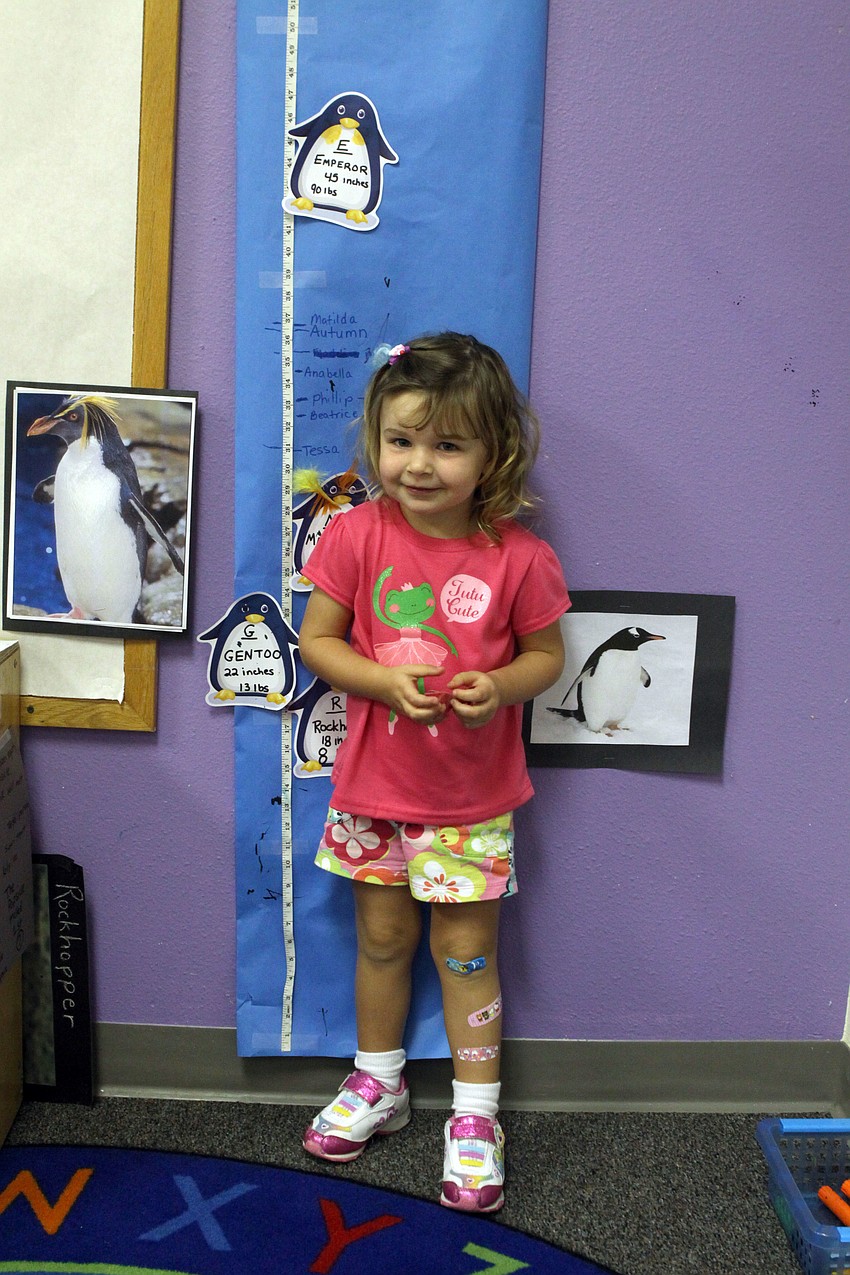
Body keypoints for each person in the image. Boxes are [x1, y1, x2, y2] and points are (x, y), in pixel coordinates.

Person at [298, 332, 570, 1213]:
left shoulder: (519, 556)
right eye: (401, 440)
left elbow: (547, 657)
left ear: (494, 453)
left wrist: (501, 687)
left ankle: (477, 1116)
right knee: (382, 941)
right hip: (372, 792)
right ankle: (379, 1080)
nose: (418, 464)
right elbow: (317, 641)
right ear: (376, 439)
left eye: (447, 444)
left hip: (471, 802)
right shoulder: (355, 533)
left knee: (464, 953)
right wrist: (380, 681)